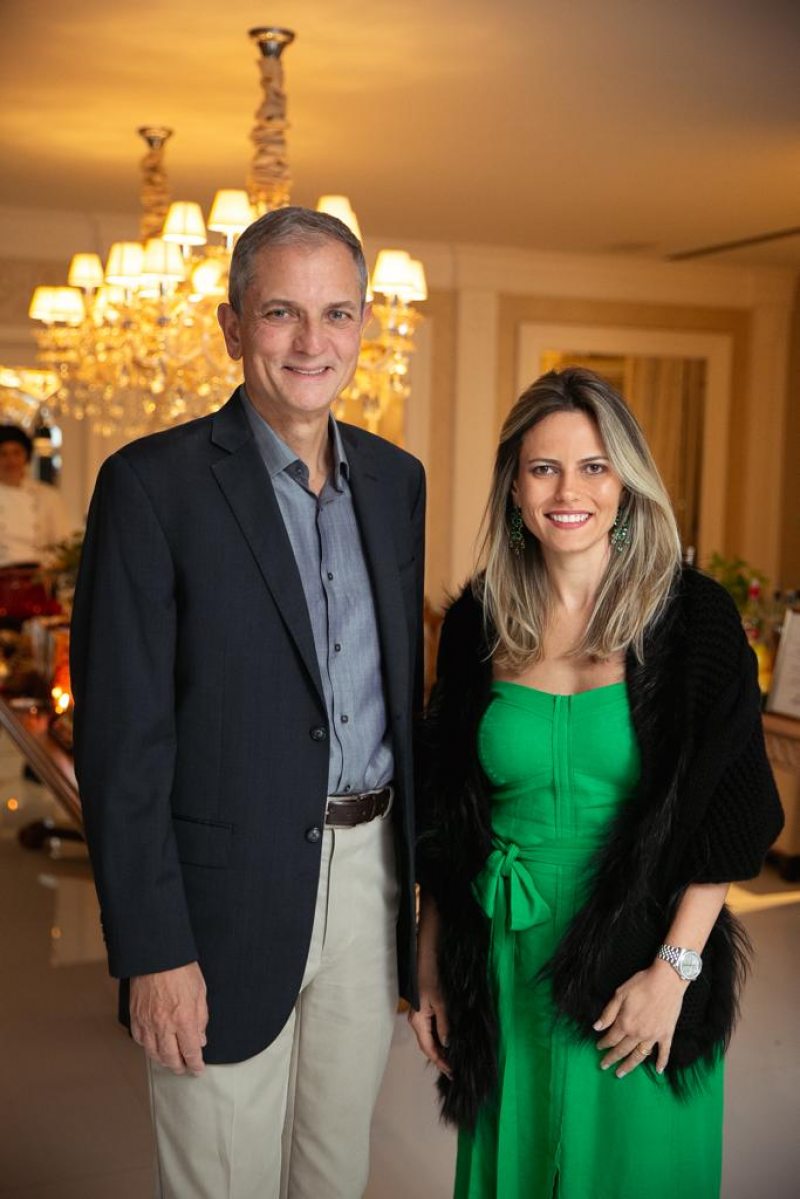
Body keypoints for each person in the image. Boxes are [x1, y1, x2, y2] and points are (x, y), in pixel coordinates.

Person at [70, 207, 426, 1199]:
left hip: (371, 876)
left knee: (334, 1168)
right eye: (281, 312)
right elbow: (122, 745)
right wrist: (153, 950)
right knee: (219, 1175)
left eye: (336, 312)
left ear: (364, 325)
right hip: (218, 894)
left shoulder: (396, 483)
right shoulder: (151, 485)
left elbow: (402, 704)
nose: (312, 341)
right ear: (233, 326)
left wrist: (424, 904)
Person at [410, 367, 783, 1199]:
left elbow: (732, 813)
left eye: (593, 467)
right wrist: (430, 963)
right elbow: (446, 812)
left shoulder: (694, 619)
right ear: (514, 487)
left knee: (636, 1172)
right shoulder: (476, 621)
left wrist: (673, 971)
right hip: (502, 954)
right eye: (543, 468)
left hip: (642, 945)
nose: (567, 491)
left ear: (626, 483)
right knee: (516, 1172)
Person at [0, 424, 71, 568]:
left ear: (26, 456)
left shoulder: (48, 496)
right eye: (3, 454)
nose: (11, 460)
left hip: (40, 574)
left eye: (16, 453)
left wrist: (49, 570)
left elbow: (63, 545)